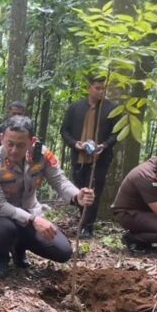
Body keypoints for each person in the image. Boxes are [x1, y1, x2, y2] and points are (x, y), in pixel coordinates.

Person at [0, 116, 95, 278]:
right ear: (1, 139)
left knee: (63, 251)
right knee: (6, 229)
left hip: (30, 210)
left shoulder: (43, 156)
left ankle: (19, 247)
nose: (14, 150)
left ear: (31, 141)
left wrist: (77, 195)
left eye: (20, 145)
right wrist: (33, 220)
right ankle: (1, 257)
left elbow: (60, 181)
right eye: (9, 144)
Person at [60, 75, 118, 238]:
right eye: (97, 88)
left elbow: (116, 134)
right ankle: (82, 220)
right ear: (89, 88)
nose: (101, 92)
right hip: (79, 158)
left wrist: (104, 146)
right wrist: (75, 144)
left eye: (103, 89)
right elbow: (64, 130)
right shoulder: (75, 108)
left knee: (94, 191)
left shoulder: (111, 109)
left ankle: (88, 227)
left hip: (100, 159)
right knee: (79, 189)